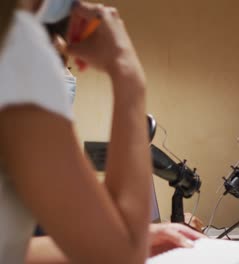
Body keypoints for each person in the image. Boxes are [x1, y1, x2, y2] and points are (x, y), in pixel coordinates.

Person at [0, 1, 202, 263]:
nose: (62, 49)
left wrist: (111, 237)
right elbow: (119, 258)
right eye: (59, 61)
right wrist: (126, 69)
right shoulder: (18, 44)